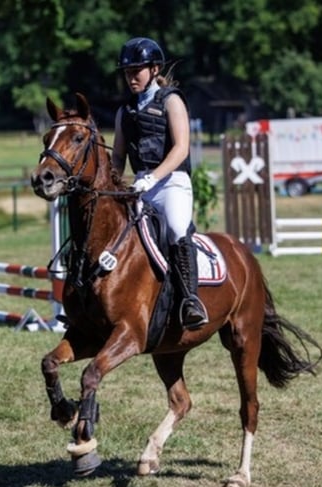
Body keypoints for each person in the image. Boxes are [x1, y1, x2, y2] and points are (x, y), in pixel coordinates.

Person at [112, 37, 208, 330]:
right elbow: (117, 156)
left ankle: (190, 300)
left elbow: (181, 148)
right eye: (127, 72)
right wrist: (116, 185)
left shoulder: (172, 100)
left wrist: (153, 177)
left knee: (177, 230)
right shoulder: (123, 111)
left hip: (172, 182)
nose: (131, 78)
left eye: (136, 71)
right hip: (140, 184)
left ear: (154, 69)